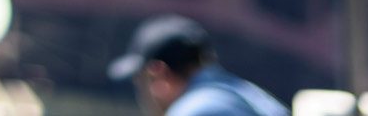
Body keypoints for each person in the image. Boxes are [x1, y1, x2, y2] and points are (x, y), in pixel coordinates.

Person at [108, 16, 288, 116]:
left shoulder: (195, 110)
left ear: (159, 74)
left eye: (141, 81)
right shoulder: (245, 94)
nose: (141, 92)